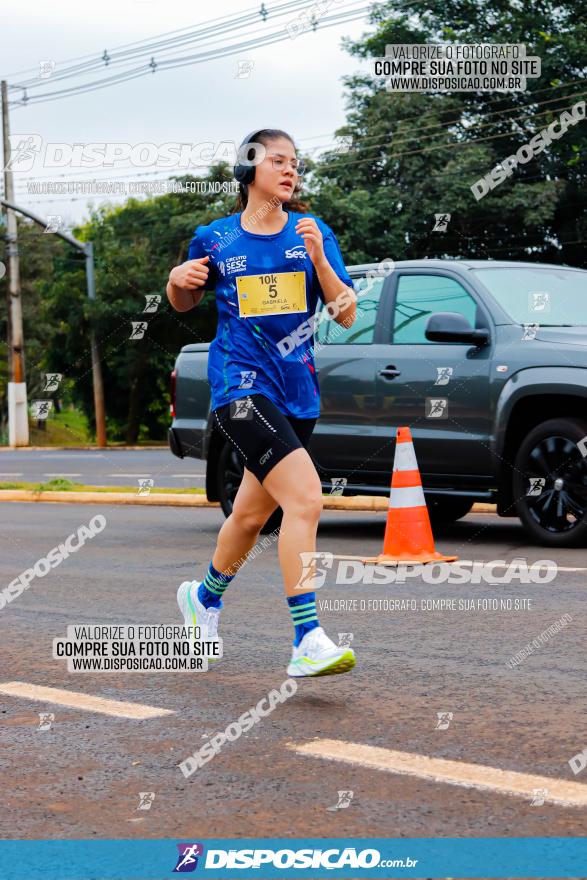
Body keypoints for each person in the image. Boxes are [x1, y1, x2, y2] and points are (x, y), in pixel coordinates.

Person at [166, 128, 357, 677]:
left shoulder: (313, 231)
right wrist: (177, 280)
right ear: (249, 168)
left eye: (295, 162)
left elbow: (344, 312)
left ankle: (202, 599)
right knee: (306, 501)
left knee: (250, 516)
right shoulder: (216, 238)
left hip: (298, 395)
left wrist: (320, 260)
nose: (290, 170)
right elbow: (184, 301)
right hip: (241, 389)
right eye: (278, 160)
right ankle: (307, 638)